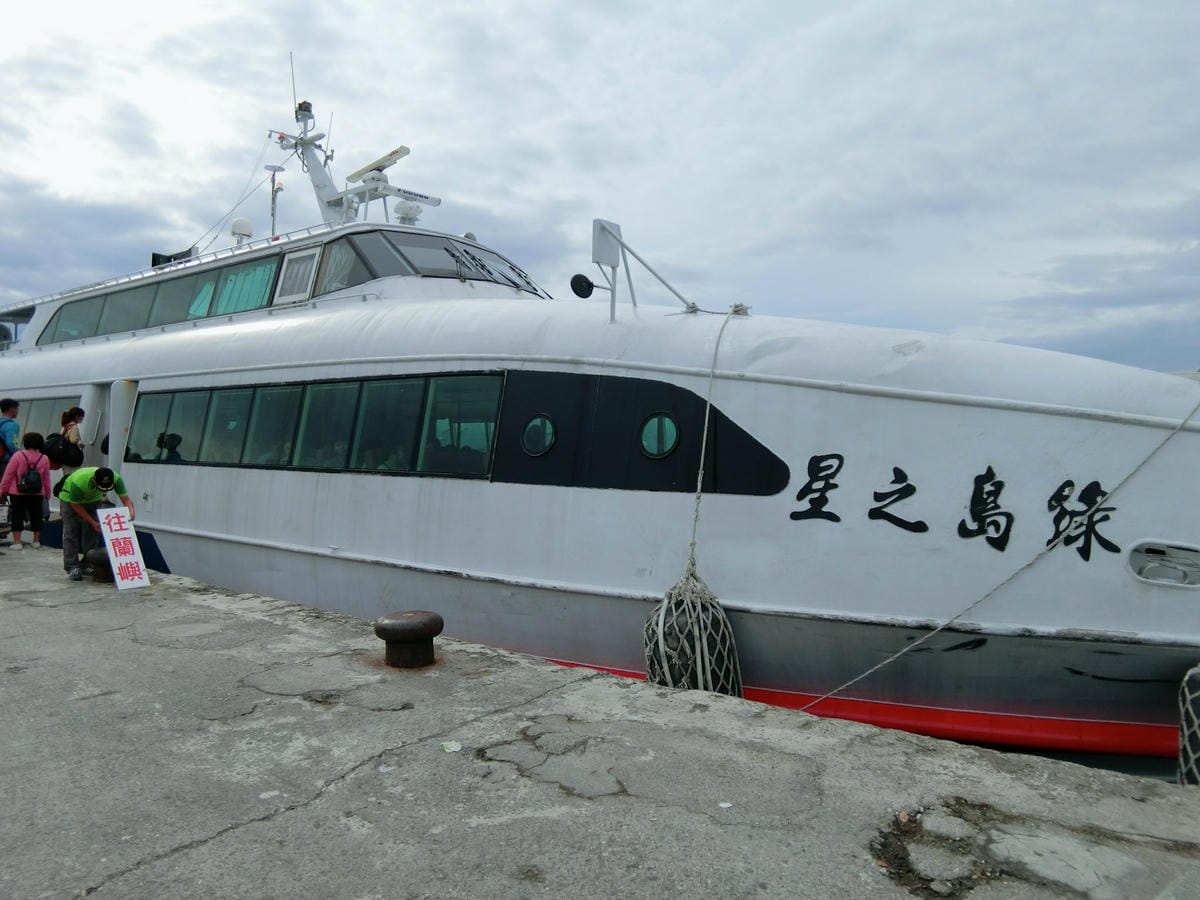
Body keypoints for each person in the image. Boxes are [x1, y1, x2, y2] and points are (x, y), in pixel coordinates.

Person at [60, 465, 136, 582]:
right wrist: (92, 521)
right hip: (70, 499)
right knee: (71, 532)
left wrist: (131, 512)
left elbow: (126, 500)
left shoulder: (116, 479)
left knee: (92, 532)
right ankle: (72, 566)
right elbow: (75, 505)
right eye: (102, 488)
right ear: (94, 480)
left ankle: (88, 563)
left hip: (94, 499)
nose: (104, 490)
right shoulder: (79, 482)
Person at [0, 432, 52, 550]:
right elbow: (46, 478)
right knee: (36, 515)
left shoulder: (18, 455)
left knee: (17, 515)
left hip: (17, 491)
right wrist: (47, 493)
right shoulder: (44, 458)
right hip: (37, 492)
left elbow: (9, 474)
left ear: (25, 443)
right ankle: (36, 541)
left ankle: (17, 543)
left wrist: (2, 489)